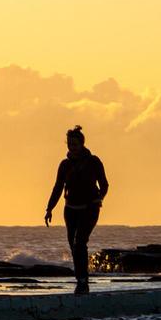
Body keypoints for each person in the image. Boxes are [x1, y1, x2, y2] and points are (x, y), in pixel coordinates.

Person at [45, 125, 109, 294]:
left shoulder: (94, 161)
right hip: (70, 209)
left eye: (75, 144)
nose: (72, 147)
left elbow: (104, 184)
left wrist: (99, 198)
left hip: (90, 209)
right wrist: (49, 208)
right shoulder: (64, 165)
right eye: (69, 144)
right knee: (73, 245)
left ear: (82, 144)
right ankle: (80, 278)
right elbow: (58, 188)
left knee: (80, 242)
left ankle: (83, 279)